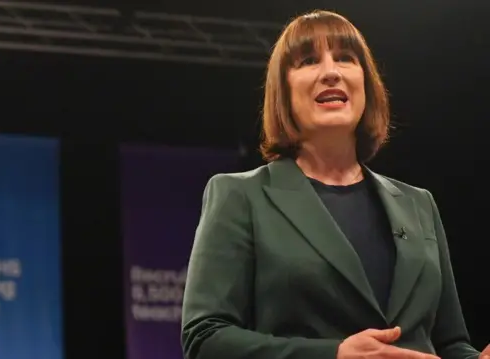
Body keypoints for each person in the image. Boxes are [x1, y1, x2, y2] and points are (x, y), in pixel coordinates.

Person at [180, 10, 489, 359]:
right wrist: (334, 355)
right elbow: (205, 339)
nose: (331, 72)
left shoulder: (419, 205)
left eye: (345, 58)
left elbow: (450, 344)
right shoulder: (240, 196)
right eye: (309, 60)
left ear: (366, 83)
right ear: (284, 91)